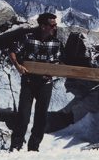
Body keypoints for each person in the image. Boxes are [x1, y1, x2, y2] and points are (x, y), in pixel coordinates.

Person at [9, 12, 63, 151]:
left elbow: (58, 61)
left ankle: (34, 147)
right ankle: (16, 146)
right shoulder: (28, 38)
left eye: (56, 25)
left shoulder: (56, 43)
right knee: (23, 115)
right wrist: (18, 66)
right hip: (28, 81)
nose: (55, 27)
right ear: (43, 25)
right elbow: (13, 52)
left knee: (41, 117)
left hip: (45, 83)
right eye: (52, 25)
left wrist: (54, 70)